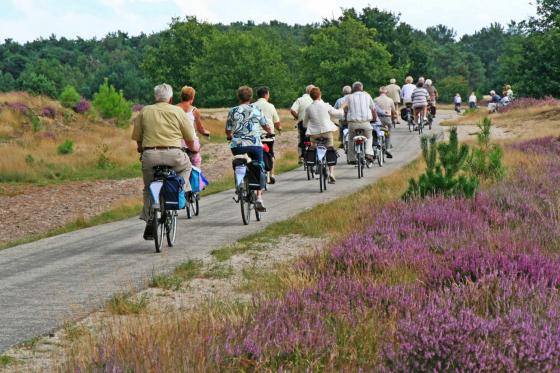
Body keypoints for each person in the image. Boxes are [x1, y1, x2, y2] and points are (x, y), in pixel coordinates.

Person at [132, 83, 199, 240]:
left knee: (149, 189)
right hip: (174, 154)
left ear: (155, 97)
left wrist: (142, 150)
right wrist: (192, 149)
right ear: (170, 98)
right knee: (187, 167)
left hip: (150, 155)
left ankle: (150, 218)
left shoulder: (144, 111)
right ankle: (181, 190)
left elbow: (138, 140)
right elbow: (189, 137)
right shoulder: (178, 111)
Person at [226, 86, 272, 212]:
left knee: (238, 162)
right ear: (251, 98)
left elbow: (228, 130)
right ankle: (259, 197)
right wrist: (269, 132)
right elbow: (266, 125)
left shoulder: (233, 111)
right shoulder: (256, 109)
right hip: (255, 145)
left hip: (238, 145)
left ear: (238, 97)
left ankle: (239, 185)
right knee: (259, 165)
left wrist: (229, 136)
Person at [303, 87, 345, 184]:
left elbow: (305, 124)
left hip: (314, 134)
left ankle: (315, 164)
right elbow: (337, 114)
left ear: (311, 97)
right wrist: (342, 108)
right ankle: (331, 173)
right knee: (330, 148)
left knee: (313, 147)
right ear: (320, 95)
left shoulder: (309, 108)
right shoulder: (326, 105)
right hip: (326, 132)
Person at [254, 86, 282, 184]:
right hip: (268, 136)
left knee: (254, 155)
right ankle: (271, 175)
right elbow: (277, 122)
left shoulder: (253, 106)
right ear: (266, 94)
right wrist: (279, 128)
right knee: (270, 154)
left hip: (256, 136)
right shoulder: (270, 106)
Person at [176, 86, 209, 168]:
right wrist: (207, 132)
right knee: (196, 163)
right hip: (191, 142)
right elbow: (200, 129)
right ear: (192, 97)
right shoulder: (194, 110)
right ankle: (195, 177)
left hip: (177, 142)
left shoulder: (174, 109)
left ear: (181, 96)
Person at [345, 81, 377, 164]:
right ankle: (368, 153)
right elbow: (373, 108)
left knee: (351, 139)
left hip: (352, 123)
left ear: (353, 89)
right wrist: (374, 119)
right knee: (369, 137)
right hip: (365, 122)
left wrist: (345, 120)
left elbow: (345, 110)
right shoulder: (367, 96)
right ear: (361, 88)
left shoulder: (349, 97)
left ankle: (351, 158)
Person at [290, 85, 315, 163]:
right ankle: (314, 154)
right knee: (315, 138)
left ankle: (301, 156)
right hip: (313, 123)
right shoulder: (315, 99)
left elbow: (292, 110)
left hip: (302, 122)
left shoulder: (300, 100)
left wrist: (298, 117)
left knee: (302, 138)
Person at [374, 86, 395, 158]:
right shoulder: (390, 100)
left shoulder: (375, 99)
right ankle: (388, 149)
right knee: (388, 135)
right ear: (386, 92)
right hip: (387, 119)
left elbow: (374, 110)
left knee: (375, 133)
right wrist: (393, 118)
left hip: (378, 120)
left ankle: (375, 147)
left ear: (379, 92)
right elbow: (393, 111)